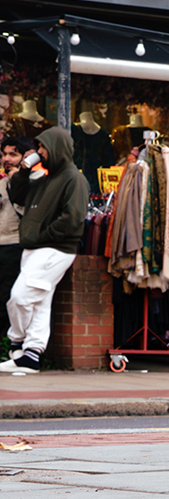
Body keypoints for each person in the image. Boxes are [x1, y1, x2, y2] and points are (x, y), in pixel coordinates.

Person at [1, 127, 89, 374]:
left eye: (42, 148)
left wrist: (43, 235)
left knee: (19, 297)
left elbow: (73, 218)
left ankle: (17, 342)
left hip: (54, 248)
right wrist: (24, 170)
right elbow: (18, 195)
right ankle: (32, 355)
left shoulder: (75, 179)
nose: (38, 152)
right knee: (40, 302)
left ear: (56, 148)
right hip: (36, 247)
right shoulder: (44, 177)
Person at [0, 135, 26, 357]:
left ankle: (10, 346)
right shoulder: (2, 181)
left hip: (15, 244)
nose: (7, 158)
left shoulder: (29, 180)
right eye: (4, 154)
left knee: (9, 297)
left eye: (13, 154)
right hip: (2, 242)